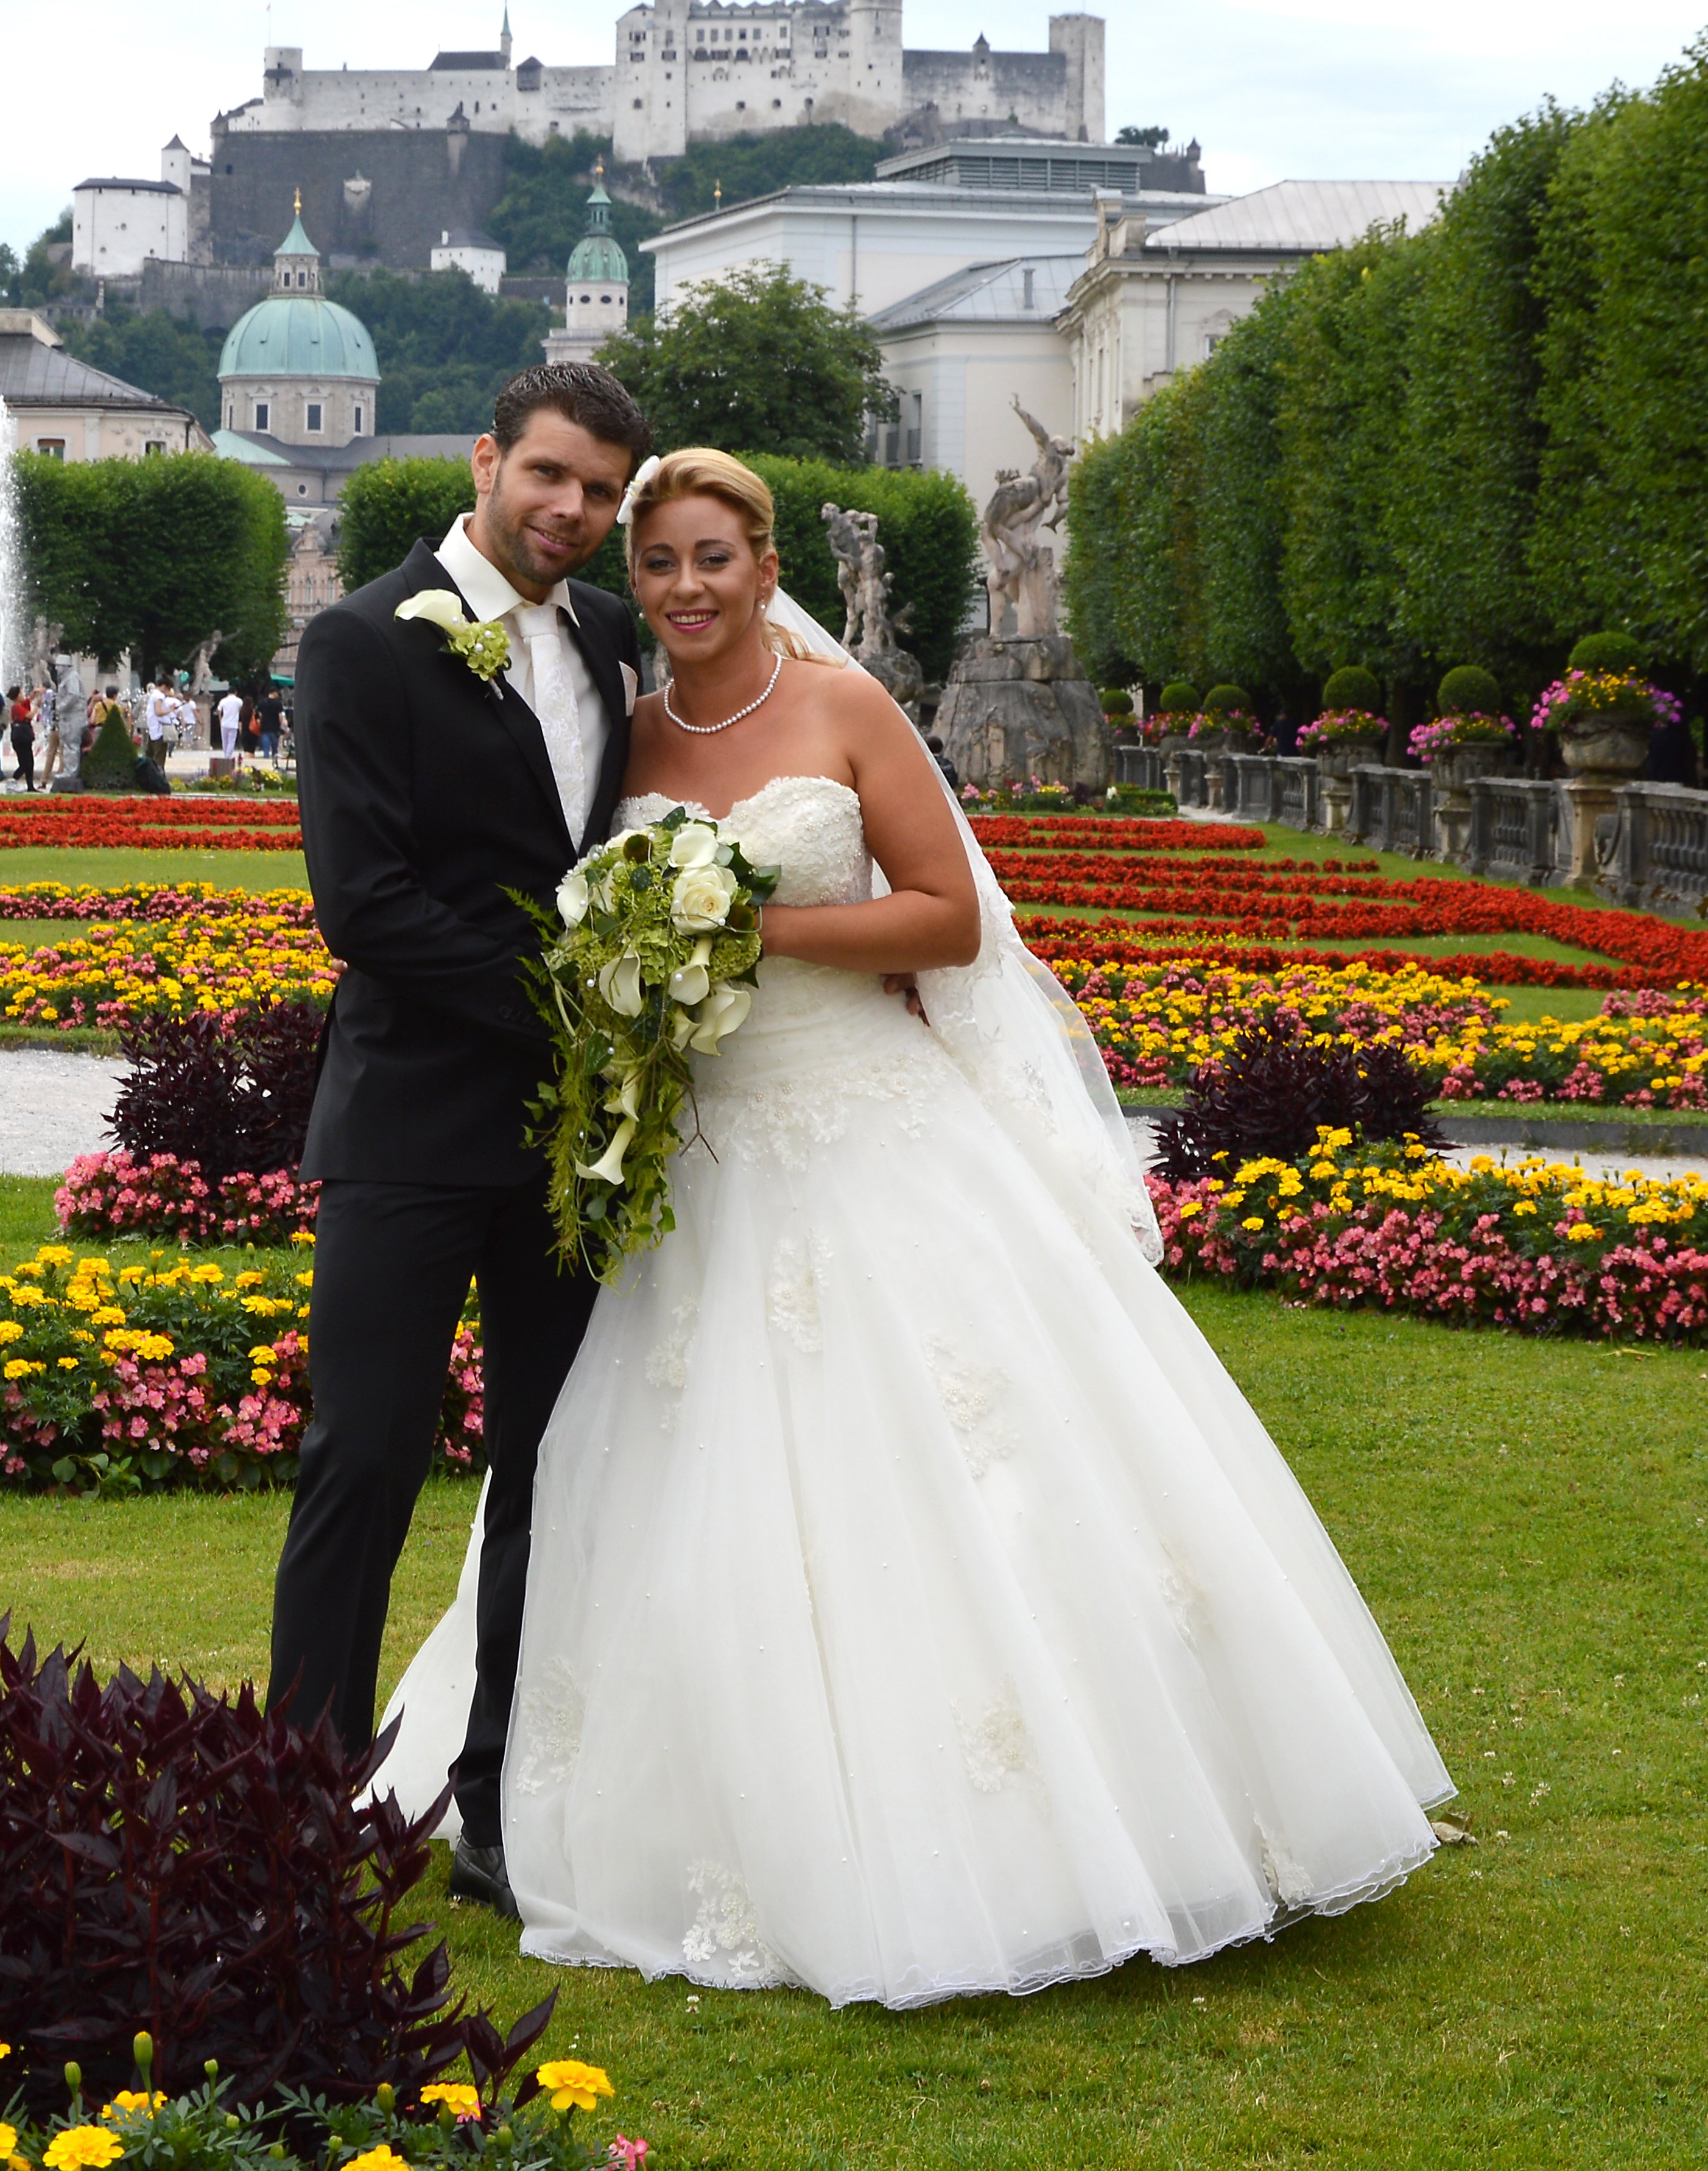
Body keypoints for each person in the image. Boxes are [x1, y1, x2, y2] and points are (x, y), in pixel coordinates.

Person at [368, 444, 1453, 2006]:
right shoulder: (626, 734)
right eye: (656, 561)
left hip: (872, 1128)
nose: (681, 588)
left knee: (972, 1462)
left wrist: (753, 925)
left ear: (764, 561)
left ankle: (1072, 1834)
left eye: (710, 558)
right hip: (706, 1154)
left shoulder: (844, 706)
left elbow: (946, 915)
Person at [270, 363, 653, 1924]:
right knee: (358, 1462)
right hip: (415, 1122)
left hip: (567, 1145)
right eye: (552, 476)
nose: (573, 511)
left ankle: (498, 1800)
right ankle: (298, 1803)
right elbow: (364, 906)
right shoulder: (361, 638)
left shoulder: (615, 641)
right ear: (489, 460)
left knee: (545, 1478)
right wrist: (567, 1010)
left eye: (602, 495)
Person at [7, 684, 37, 791]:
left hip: (23, 738)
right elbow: (30, 715)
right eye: (21, 693)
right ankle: (13, 780)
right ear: (17, 696)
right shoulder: (17, 707)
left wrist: (34, 694)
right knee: (25, 764)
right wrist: (38, 705)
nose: (23, 695)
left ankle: (30, 786)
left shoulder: (19, 706)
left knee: (30, 762)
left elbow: (28, 700)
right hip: (22, 738)